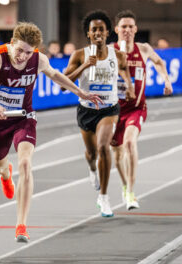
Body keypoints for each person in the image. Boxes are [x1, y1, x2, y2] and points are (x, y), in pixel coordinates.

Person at [0, 22, 102, 242]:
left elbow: (56, 76)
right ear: (11, 43)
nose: (22, 56)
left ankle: (21, 225)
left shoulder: (38, 60)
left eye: (28, 52)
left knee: (25, 164)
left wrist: (81, 92)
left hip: (24, 117)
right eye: (19, 50)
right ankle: (5, 174)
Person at [63, 10, 135, 217]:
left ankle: (103, 198)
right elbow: (63, 85)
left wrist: (129, 87)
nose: (97, 33)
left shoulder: (118, 56)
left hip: (109, 108)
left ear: (107, 32)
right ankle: (93, 169)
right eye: (93, 30)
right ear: (88, 33)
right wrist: (85, 65)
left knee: (104, 147)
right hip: (86, 110)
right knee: (92, 154)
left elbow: (125, 72)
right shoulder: (79, 55)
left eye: (101, 29)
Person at [111, 10, 173, 210]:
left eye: (130, 26)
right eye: (123, 27)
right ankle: (124, 184)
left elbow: (160, 62)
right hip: (113, 111)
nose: (127, 30)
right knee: (118, 155)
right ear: (117, 29)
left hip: (136, 108)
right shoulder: (110, 51)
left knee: (130, 143)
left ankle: (130, 192)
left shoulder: (144, 49)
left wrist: (166, 80)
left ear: (136, 29)